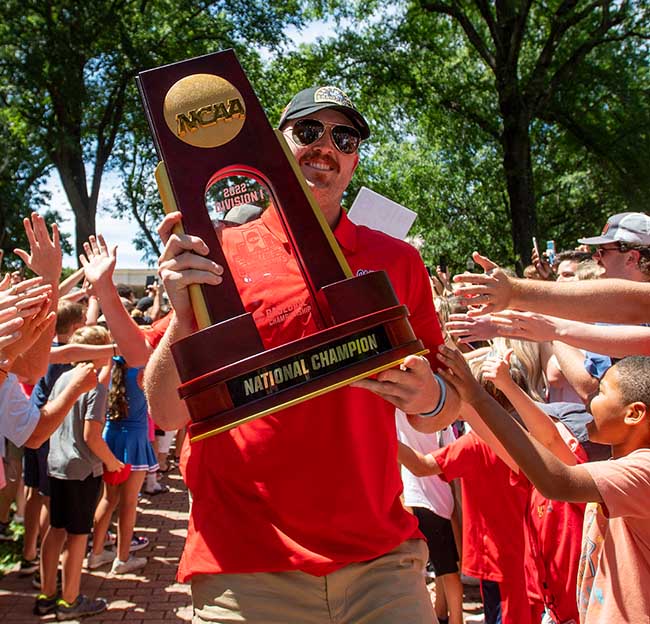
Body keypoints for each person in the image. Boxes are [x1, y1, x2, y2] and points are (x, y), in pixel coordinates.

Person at [144, 86, 459, 622]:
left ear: (355, 158)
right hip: (246, 565)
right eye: (308, 132)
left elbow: (451, 403)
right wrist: (182, 311)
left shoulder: (398, 260)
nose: (325, 147)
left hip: (382, 563)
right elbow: (167, 412)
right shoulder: (213, 254)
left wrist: (431, 397)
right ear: (276, 147)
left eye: (345, 136)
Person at [437, 346, 650, 623]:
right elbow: (548, 440)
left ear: (634, 414)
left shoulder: (642, 471)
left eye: (600, 393)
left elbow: (555, 480)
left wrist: (478, 398)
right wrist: (490, 393)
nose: (589, 401)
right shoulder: (618, 469)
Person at [36, 325, 122, 619]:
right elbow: (91, 436)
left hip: (57, 464)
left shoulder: (62, 379)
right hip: (82, 469)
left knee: (56, 530)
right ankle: (70, 600)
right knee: (77, 536)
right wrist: (112, 461)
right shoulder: (94, 386)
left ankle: (47, 594)